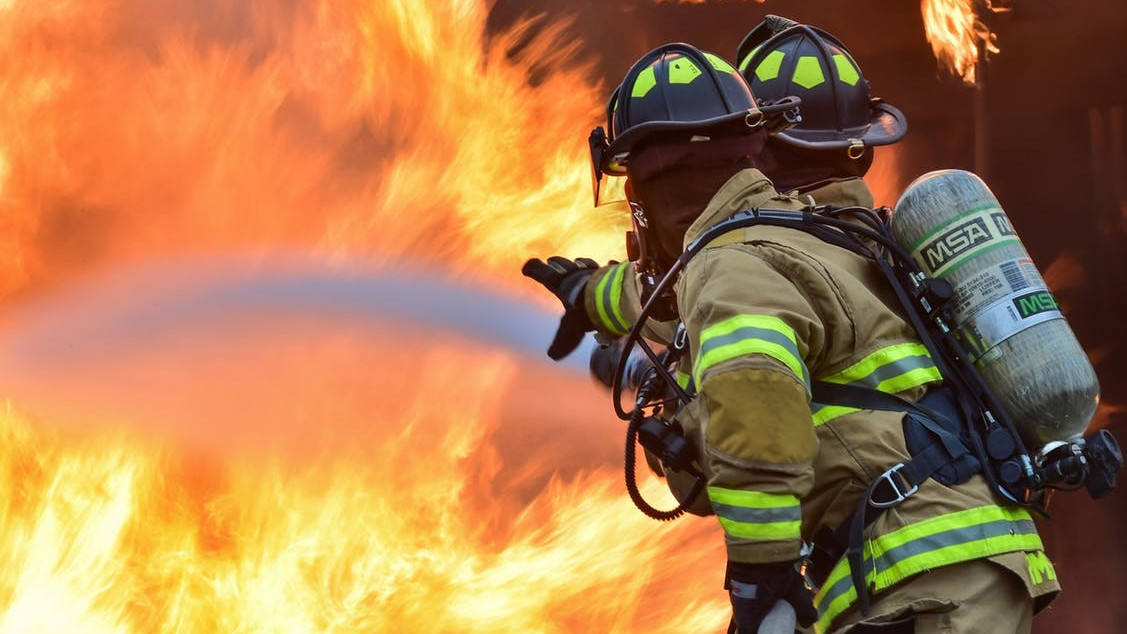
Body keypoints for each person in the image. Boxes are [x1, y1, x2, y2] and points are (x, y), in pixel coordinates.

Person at [523, 32, 1059, 634]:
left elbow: (756, 421)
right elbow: (665, 287)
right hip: (951, 562)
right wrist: (591, 296)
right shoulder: (813, 236)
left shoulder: (731, 266)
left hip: (919, 573)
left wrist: (761, 579)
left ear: (650, 187)